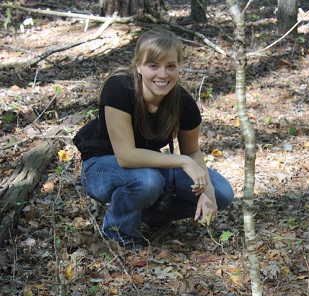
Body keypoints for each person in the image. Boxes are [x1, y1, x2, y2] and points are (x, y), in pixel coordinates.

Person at [76, 27, 234, 251]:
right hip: (101, 167)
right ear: (138, 66)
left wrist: (207, 193)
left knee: (222, 193)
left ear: (179, 68)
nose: (163, 74)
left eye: (171, 66)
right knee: (147, 181)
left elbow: (192, 152)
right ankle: (118, 235)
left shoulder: (183, 104)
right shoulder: (119, 88)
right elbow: (126, 157)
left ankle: (148, 214)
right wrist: (183, 162)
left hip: (147, 166)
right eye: (153, 66)